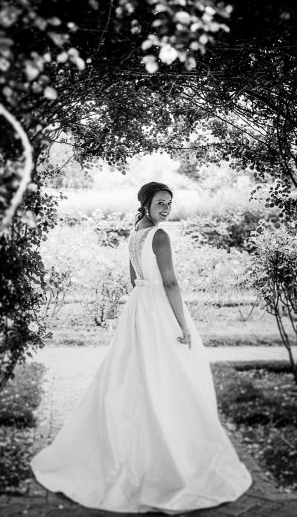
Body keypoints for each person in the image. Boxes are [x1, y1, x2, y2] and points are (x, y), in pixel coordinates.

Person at [30, 181, 252, 513]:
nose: (166, 208)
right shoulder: (159, 236)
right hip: (159, 309)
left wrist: (142, 300)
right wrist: (182, 325)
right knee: (171, 375)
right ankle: (169, 454)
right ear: (146, 203)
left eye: (169, 203)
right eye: (161, 202)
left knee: (133, 374)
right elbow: (171, 282)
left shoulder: (136, 231)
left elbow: (133, 279)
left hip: (138, 308)